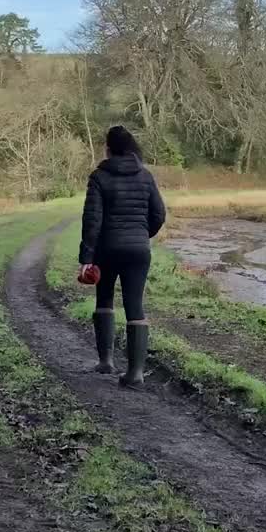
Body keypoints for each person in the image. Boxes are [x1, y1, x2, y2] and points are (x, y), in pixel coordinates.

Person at [78, 125, 166, 389]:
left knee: (104, 298)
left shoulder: (99, 177)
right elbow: (159, 214)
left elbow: (92, 221)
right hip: (139, 249)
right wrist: (141, 234)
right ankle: (136, 374)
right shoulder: (146, 176)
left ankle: (106, 361)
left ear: (109, 147)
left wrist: (86, 257)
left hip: (107, 248)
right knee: (134, 304)